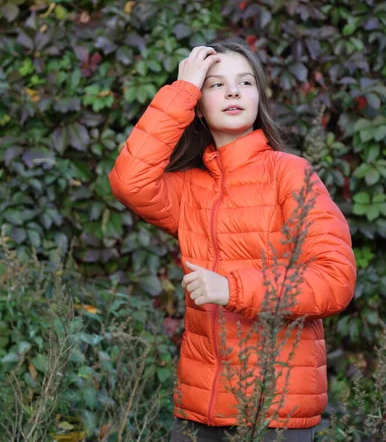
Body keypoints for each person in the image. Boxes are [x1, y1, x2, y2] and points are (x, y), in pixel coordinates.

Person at [108, 37, 357, 442]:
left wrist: (232, 288)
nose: (233, 92)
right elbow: (128, 181)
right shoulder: (190, 189)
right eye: (215, 84)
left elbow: (335, 281)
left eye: (245, 82)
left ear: (259, 97)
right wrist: (182, 90)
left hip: (274, 411)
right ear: (200, 108)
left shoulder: (289, 174)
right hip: (199, 411)